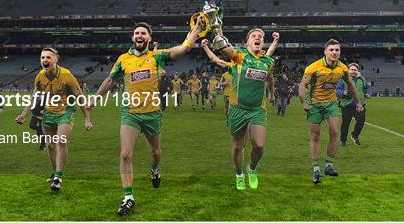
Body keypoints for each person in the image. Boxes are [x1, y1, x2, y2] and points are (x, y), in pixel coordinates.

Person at [92, 21, 203, 215]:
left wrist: (197, 29)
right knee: (125, 154)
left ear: (149, 38)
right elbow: (110, 80)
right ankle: (128, 197)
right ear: (133, 37)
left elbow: (184, 48)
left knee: (156, 153)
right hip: (130, 113)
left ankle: (155, 169)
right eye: (136, 33)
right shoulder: (123, 59)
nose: (139, 35)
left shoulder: (156, 56)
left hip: (152, 114)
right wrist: (95, 98)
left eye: (143, 33)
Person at [15, 48, 93, 191]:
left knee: (60, 140)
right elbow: (35, 97)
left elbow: (80, 97)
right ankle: (55, 172)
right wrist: (23, 115)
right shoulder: (40, 76)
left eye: (48, 57)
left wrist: (87, 119)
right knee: (50, 145)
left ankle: (58, 177)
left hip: (66, 112)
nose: (45, 60)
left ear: (56, 60)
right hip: (49, 113)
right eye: (42, 57)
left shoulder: (66, 75)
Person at [213, 28, 275, 191]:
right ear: (247, 42)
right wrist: (216, 29)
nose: (258, 38)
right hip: (237, 109)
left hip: (257, 109)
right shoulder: (238, 56)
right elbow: (222, 47)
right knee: (237, 147)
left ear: (263, 42)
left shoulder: (268, 61)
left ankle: (252, 168)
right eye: (254, 36)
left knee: (259, 145)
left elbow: (269, 78)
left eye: (261, 36)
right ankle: (239, 173)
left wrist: (272, 93)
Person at [298, 39, 363, 185]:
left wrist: (358, 101)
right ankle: (316, 169)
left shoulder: (343, 68)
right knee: (315, 136)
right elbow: (302, 85)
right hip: (314, 105)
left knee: (335, 132)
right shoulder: (313, 68)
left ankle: (329, 165)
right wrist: (304, 102)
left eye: (337, 50)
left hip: (331, 104)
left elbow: (351, 85)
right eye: (331, 50)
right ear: (325, 52)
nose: (334, 52)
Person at [337, 63, 370, 146]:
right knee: (345, 123)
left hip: (360, 105)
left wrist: (367, 94)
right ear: (348, 70)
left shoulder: (362, 79)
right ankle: (343, 140)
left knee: (361, 120)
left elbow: (366, 88)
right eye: (351, 69)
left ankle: (355, 135)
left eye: (355, 70)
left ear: (358, 71)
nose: (353, 71)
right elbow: (338, 89)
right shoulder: (343, 79)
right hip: (347, 105)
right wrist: (342, 93)